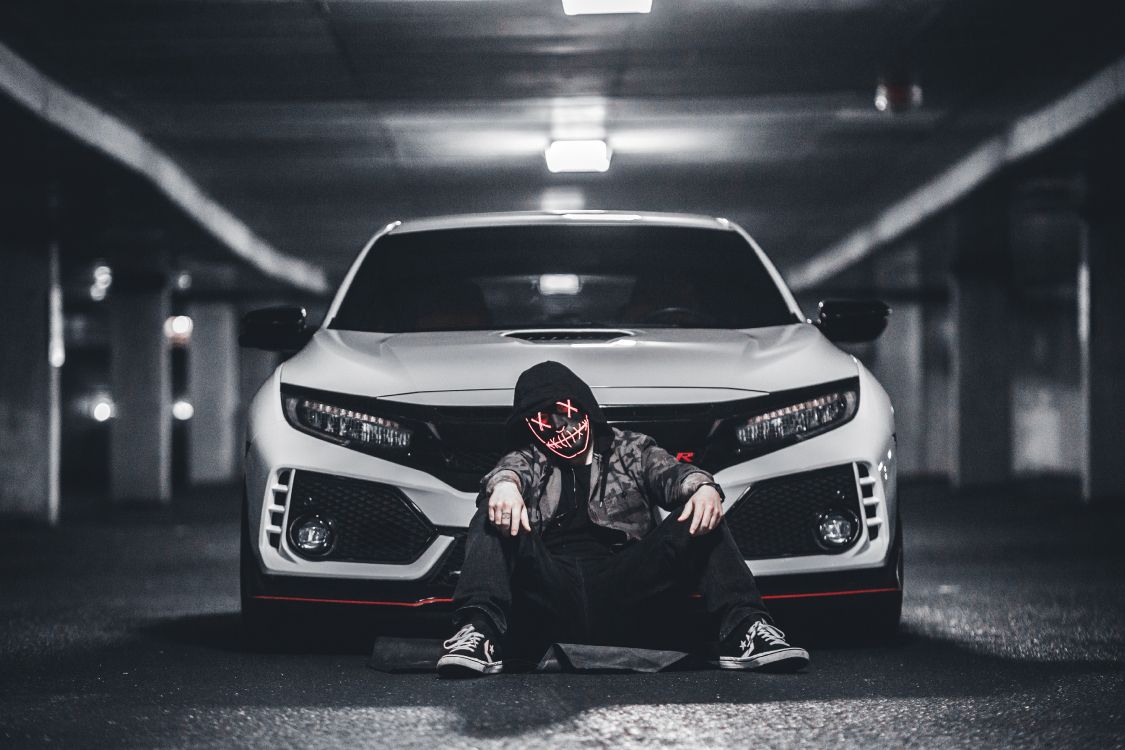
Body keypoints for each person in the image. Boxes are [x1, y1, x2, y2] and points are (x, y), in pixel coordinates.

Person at [437, 360, 809, 676]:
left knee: (702, 511)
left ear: (583, 409)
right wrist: (503, 487)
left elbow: (669, 472)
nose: (556, 426)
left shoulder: (629, 447)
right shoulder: (531, 455)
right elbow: (510, 470)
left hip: (625, 578)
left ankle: (748, 629)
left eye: (562, 413)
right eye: (543, 419)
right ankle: (478, 634)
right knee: (491, 513)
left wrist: (702, 487)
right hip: (552, 583)